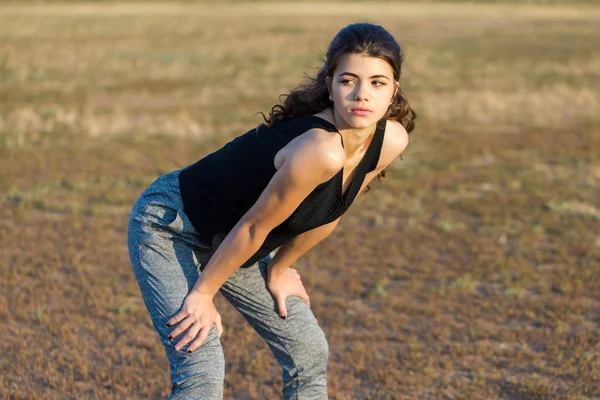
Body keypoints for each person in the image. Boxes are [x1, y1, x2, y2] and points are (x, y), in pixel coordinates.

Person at [127, 22, 416, 399]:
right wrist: (202, 294)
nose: (362, 95)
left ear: (394, 90)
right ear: (329, 85)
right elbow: (251, 229)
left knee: (308, 350)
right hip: (171, 226)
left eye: (378, 82)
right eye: (348, 81)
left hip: (229, 240)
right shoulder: (319, 149)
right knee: (201, 365)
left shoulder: (390, 139)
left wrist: (279, 269)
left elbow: (332, 211)